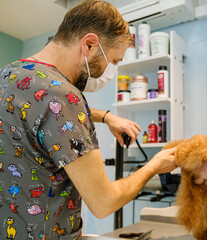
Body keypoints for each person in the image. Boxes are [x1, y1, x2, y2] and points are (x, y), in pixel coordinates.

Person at [0, 0, 177, 239]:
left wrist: (106, 117)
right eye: (113, 61)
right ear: (90, 44)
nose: (109, 71)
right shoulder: (65, 96)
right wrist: (154, 166)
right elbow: (103, 202)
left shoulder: (10, 74)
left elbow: (39, 105)